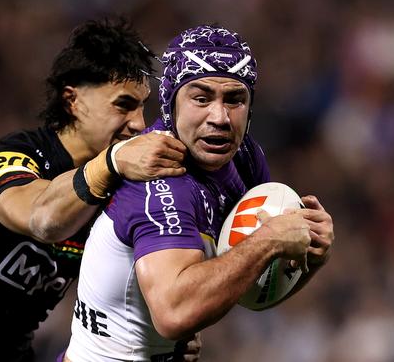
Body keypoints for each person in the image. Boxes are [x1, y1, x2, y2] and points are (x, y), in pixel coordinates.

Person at [0, 18, 191, 362]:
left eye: (142, 106)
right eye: (123, 105)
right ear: (73, 100)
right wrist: (112, 163)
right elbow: (44, 218)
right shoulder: (11, 157)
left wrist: (166, 339)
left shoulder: (119, 189)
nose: (138, 123)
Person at [64, 25, 334, 361]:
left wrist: (309, 256)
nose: (220, 117)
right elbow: (174, 314)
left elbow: (252, 288)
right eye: (201, 98)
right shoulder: (157, 179)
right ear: (170, 103)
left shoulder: (245, 159)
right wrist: (268, 240)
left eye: (235, 99)